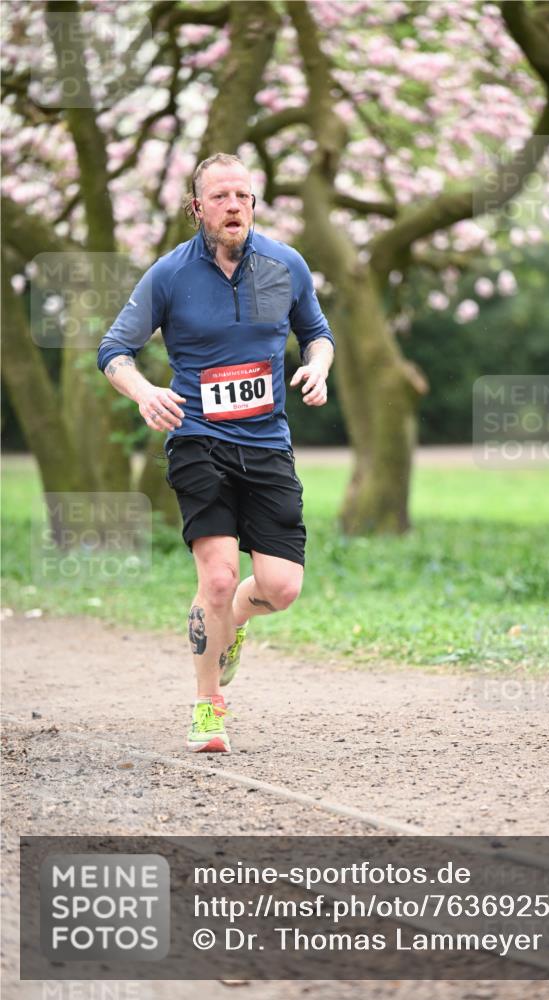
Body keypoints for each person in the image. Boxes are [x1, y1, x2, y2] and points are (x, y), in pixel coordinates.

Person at [97, 153, 334, 753]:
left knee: (280, 587)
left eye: (244, 196)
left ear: (254, 204)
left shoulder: (285, 265)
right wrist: (145, 390)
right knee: (219, 575)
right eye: (222, 196)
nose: (235, 206)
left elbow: (318, 334)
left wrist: (318, 367)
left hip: (268, 442)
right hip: (199, 439)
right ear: (198, 207)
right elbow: (114, 350)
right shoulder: (170, 275)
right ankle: (208, 709)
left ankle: (234, 624)